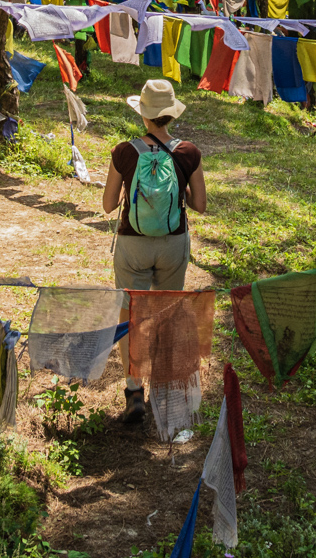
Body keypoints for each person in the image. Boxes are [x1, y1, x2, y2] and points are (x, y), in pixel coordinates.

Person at [100, 78, 206, 426]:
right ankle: (165, 387)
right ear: (171, 115)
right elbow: (200, 204)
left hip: (132, 244)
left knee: (131, 314)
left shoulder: (124, 151)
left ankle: (134, 391)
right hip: (174, 244)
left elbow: (107, 205)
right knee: (166, 311)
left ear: (144, 115)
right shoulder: (189, 152)